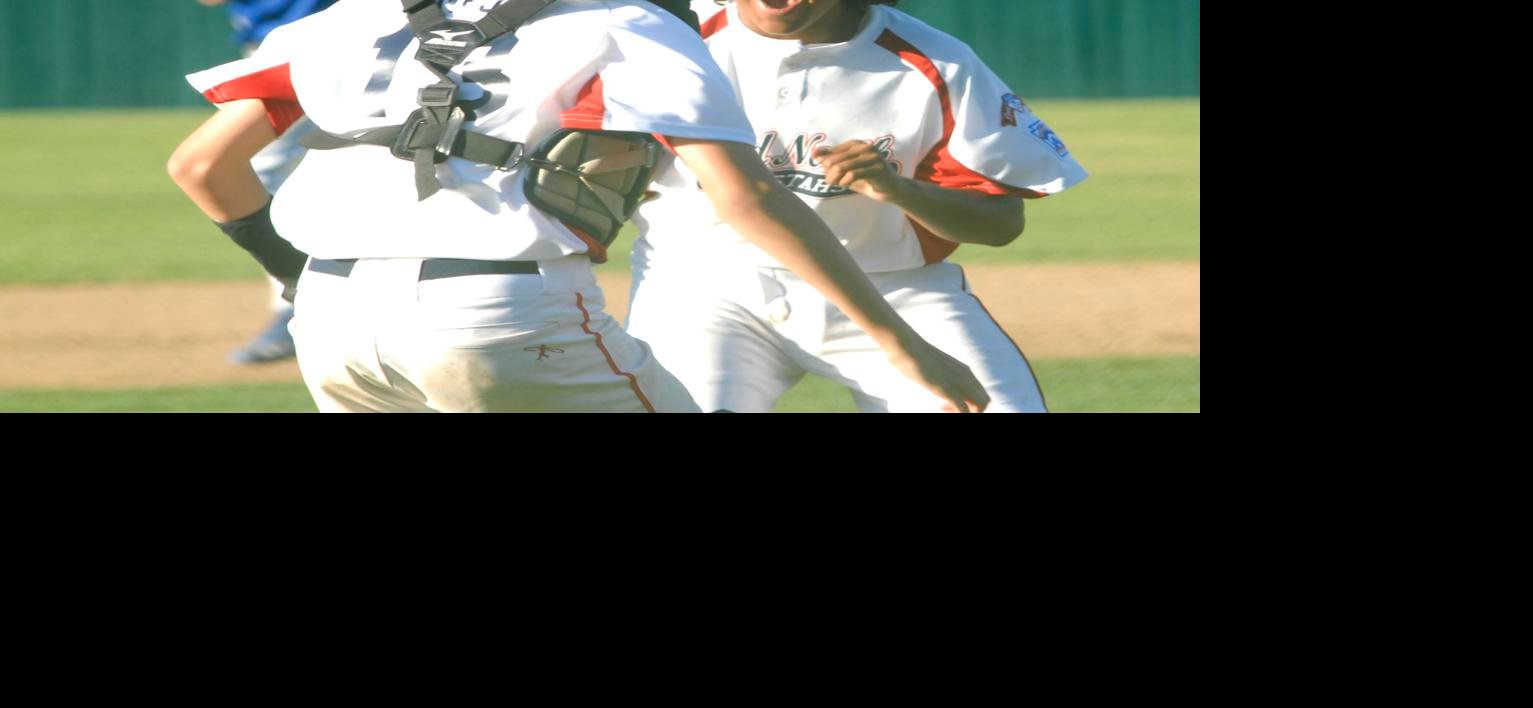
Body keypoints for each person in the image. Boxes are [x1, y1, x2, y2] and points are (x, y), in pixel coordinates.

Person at [167, 0, 987, 413]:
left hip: (335, 323)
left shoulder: (358, 16)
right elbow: (745, 195)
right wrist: (900, 345)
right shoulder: (628, 22)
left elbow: (202, 166)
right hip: (502, 307)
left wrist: (297, 285)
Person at [627, 0, 1088, 412]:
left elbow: (1001, 222)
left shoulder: (935, 61)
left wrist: (900, 189)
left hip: (895, 287)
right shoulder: (671, 35)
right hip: (702, 287)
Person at [196, 0, 340, 365]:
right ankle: (312, 301)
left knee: (247, 171)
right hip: (277, 50)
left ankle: (303, 307)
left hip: (324, 46)